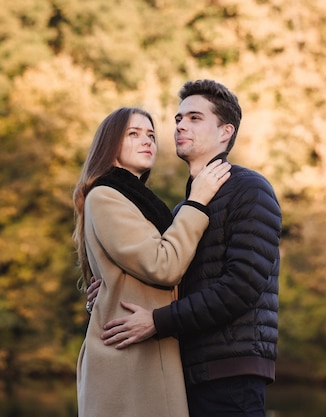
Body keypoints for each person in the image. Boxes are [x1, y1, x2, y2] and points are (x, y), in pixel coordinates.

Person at [89, 80, 282, 416]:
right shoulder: (185, 210)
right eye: (178, 119)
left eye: (194, 118)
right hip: (186, 371)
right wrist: (113, 287)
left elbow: (242, 287)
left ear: (225, 132)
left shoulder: (250, 189)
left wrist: (158, 322)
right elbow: (169, 274)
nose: (179, 125)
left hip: (232, 371)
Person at [72, 106, 231, 417]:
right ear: (111, 145)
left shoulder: (139, 203)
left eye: (151, 136)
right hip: (128, 357)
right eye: (133, 134)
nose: (147, 141)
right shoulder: (106, 196)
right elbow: (164, 264)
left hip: (146, 348)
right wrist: (197, 202)